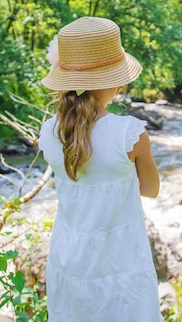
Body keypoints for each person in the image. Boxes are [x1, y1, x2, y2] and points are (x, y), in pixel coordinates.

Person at [38, 16, 163, 322]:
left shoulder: (48, 132)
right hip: (121, 261)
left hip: (69, 259)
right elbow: (151, 189)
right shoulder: (130, 134)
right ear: (114, 80)